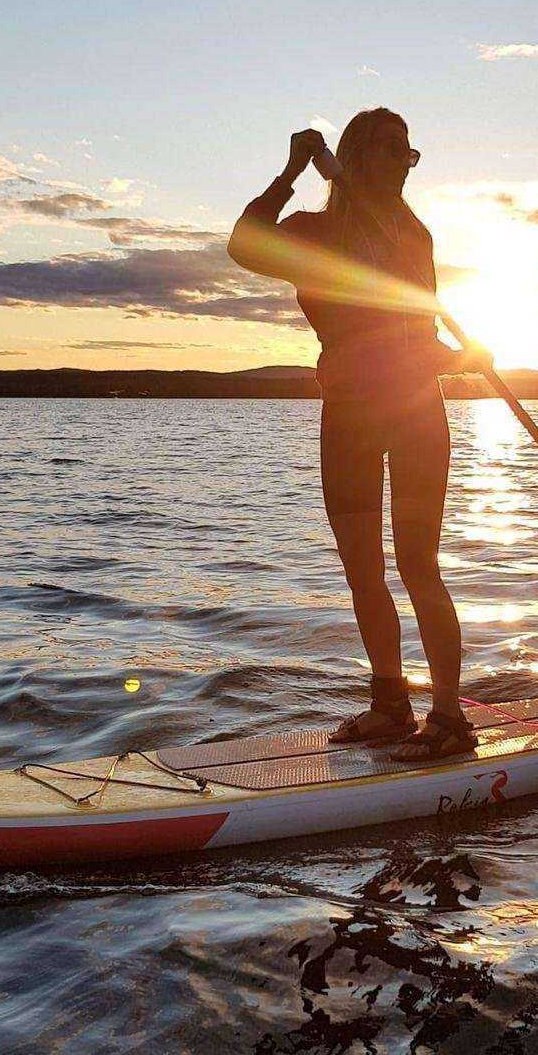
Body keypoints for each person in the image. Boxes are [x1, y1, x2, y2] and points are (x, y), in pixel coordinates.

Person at [227, 108, 492, 761]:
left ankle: (450, 718)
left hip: (410, 412)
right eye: (390, 153)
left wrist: (465, 358)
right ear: (354, 159)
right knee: (362, 570)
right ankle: (390, 705)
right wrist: (289, 172)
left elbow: (420, 335)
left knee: (417, 564)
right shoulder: (313, 235)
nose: (403, 165)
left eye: (409, 153)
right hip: (346, 415)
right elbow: (244, 246)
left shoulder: (409, 236)